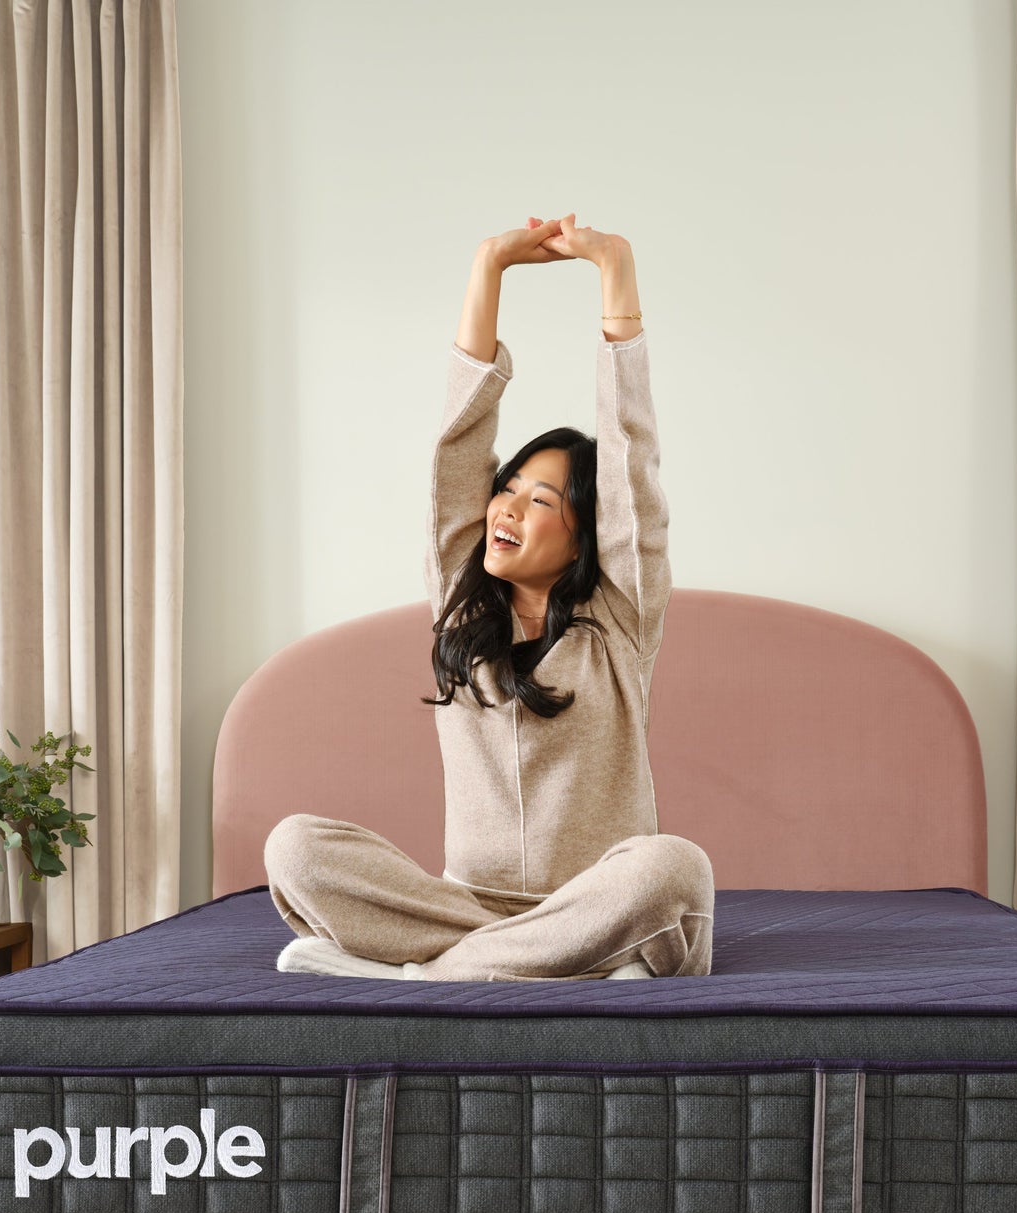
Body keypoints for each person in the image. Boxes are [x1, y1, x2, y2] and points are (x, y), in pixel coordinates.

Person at [263, 215, 715, 982]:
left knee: (671, 870)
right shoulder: (463, 606)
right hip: (469, 906)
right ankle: (546, 970)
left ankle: (431, 980)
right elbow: (457, 451)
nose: (505, 508)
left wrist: (616, 272)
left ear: (586, 535)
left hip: (598, 899)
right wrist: (487, 268)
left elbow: (630, 458)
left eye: (540, 501)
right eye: (506, 490)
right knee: (294, 848)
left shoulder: (621, 619)